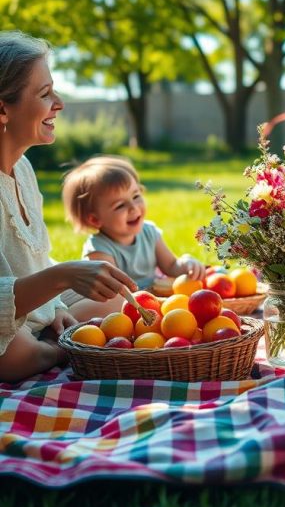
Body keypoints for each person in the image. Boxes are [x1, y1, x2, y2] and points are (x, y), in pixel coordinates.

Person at [0, 32, 137, 383]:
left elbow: (34, 260)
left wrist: (57, 304)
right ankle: (65, 346)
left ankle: (53, 338)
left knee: (117, 298)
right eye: (45, 94)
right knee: (16, 355)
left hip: (26, 314)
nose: (58, 103)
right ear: (3, 109)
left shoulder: (23, 169)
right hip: (9, 330)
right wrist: (63, 277)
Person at [62, 156, 205, 290]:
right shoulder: (99, 250)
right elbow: (114, 291)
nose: (133, 207)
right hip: (123, 306)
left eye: (136, 196)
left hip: (153, 297)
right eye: (119, 206)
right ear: (95, 219)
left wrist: (186, 264)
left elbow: (171, 266)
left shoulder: (149, 232)